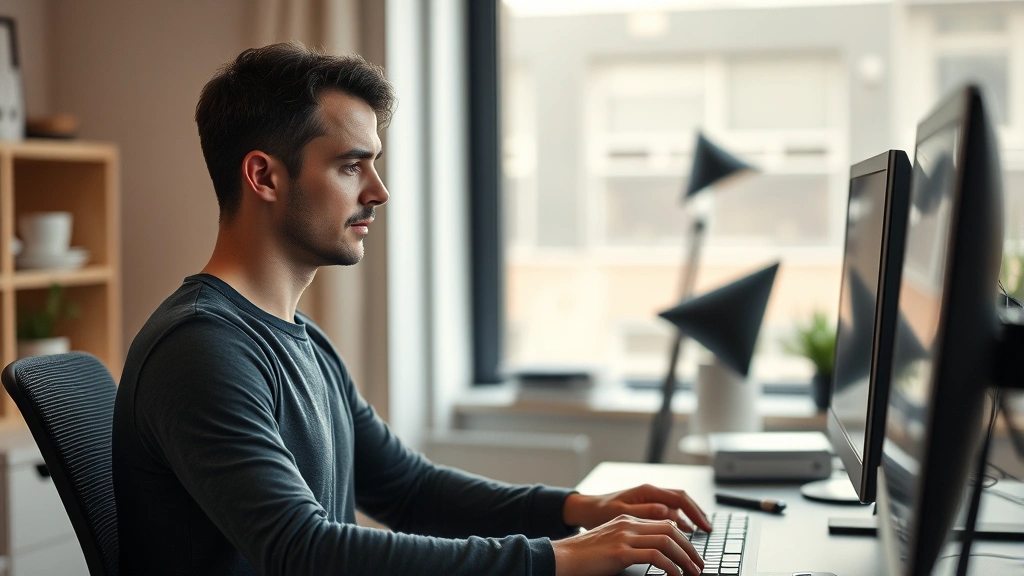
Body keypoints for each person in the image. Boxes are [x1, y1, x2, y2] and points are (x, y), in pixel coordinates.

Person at [112, 42, 711, 576]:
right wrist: (557, 558)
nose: (379, 190)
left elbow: (408, 489)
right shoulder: (200, 349)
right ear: (264, 176)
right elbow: (301, 551)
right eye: (351, 165)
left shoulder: (301, 340)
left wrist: (579, 509)